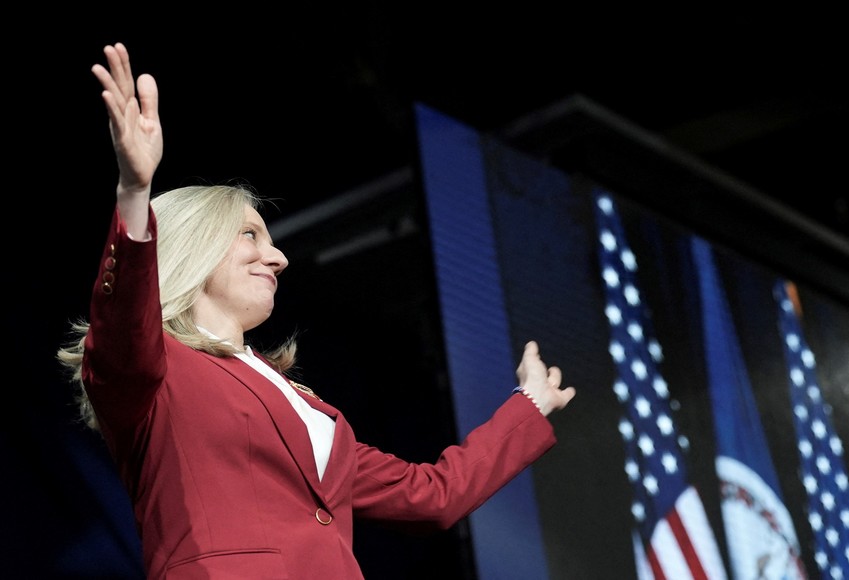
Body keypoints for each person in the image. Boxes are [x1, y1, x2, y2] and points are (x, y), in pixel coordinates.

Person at [57, 41, 577, 580]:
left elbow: (432, 496)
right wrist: (135, 192)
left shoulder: (303, 405)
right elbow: (122, 321)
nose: (278, 257)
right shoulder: (151, 368)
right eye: (251, 235)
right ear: (194, 248)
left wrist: (528, 406)